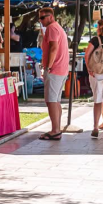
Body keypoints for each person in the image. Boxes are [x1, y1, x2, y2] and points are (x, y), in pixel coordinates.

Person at [38, 7, 69, 140]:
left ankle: (55, 130)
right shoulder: (57, 28)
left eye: (42, 18)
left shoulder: (51, 28)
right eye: (39, 18)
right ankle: (57, 128)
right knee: (55, 101)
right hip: (61, 70)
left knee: (51, 101)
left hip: (55, 70)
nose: (41, 21)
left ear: (50, 16)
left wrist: (48, 67)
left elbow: (53, 47)